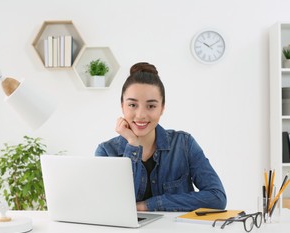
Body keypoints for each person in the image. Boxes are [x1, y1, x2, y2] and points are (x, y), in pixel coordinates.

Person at [95, 62, 226, 212]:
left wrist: (148, 205)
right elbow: (110, 206)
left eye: (151, 106)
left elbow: (217, 198)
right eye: (132, 105)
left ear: (162, 108)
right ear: (122, 106)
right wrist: (132, 144)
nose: (141, 115)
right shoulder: (106, 151)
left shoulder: (184, 144)